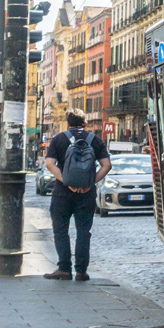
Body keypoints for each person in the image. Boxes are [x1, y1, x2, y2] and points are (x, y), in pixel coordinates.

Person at [43, 110, 111, 281]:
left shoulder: (59, 139)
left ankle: (64, 268)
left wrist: (66, 181)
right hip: (87, 194)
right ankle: (81, 271)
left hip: (62, 193)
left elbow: (50, 164)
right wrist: (90, 182)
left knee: (60, 230)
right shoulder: (95, 140)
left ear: (68, 123)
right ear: (85, 123)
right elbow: (107, 165)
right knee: (83, 231)